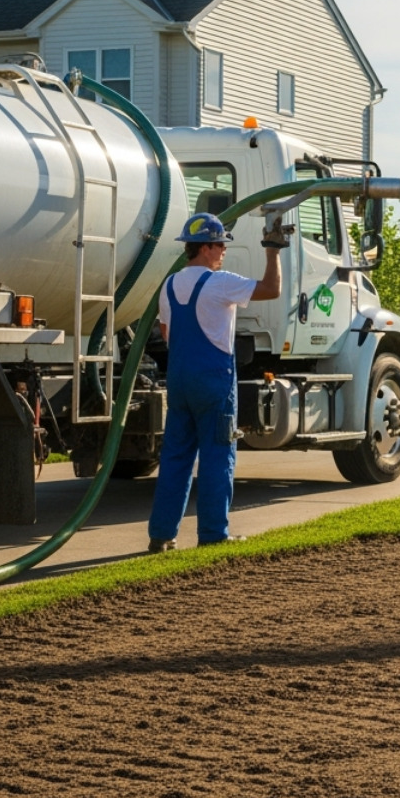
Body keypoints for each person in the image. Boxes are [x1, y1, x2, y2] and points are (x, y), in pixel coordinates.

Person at [146, 210, 289, 552]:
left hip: (179, 380)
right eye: (221, 244)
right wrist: (272, 250)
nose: (224, 250)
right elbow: (271, 289)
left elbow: (167, 333)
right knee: (217, 456)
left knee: (176, 458)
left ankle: (162, 535)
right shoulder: (221, 282)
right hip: (214, 381)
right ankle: (212, 534)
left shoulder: (169, 285)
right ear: (206, 248)